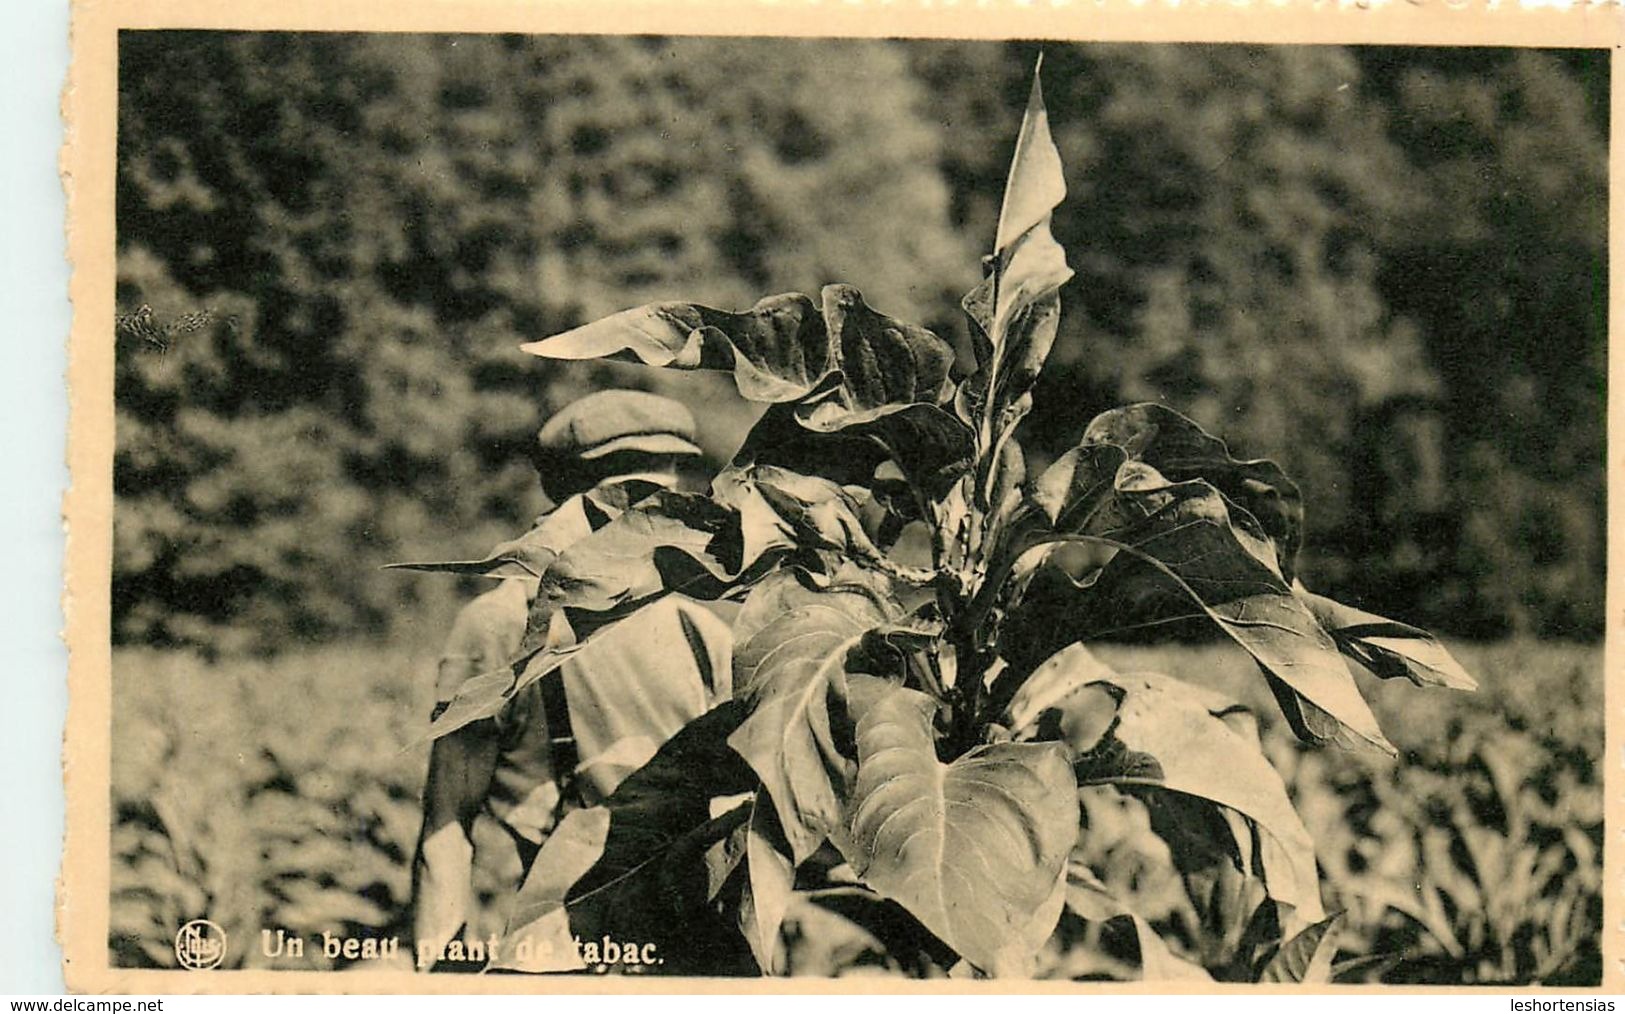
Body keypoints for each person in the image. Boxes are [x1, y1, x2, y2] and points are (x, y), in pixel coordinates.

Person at [410, 390, 733, 971]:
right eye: (622, 492)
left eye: (663, 491)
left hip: (682, 952)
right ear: (569, 500)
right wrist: (438, 984)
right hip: (547, 956)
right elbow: (447, 828)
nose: (645, 511)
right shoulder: (503, 624)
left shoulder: (701, 632)